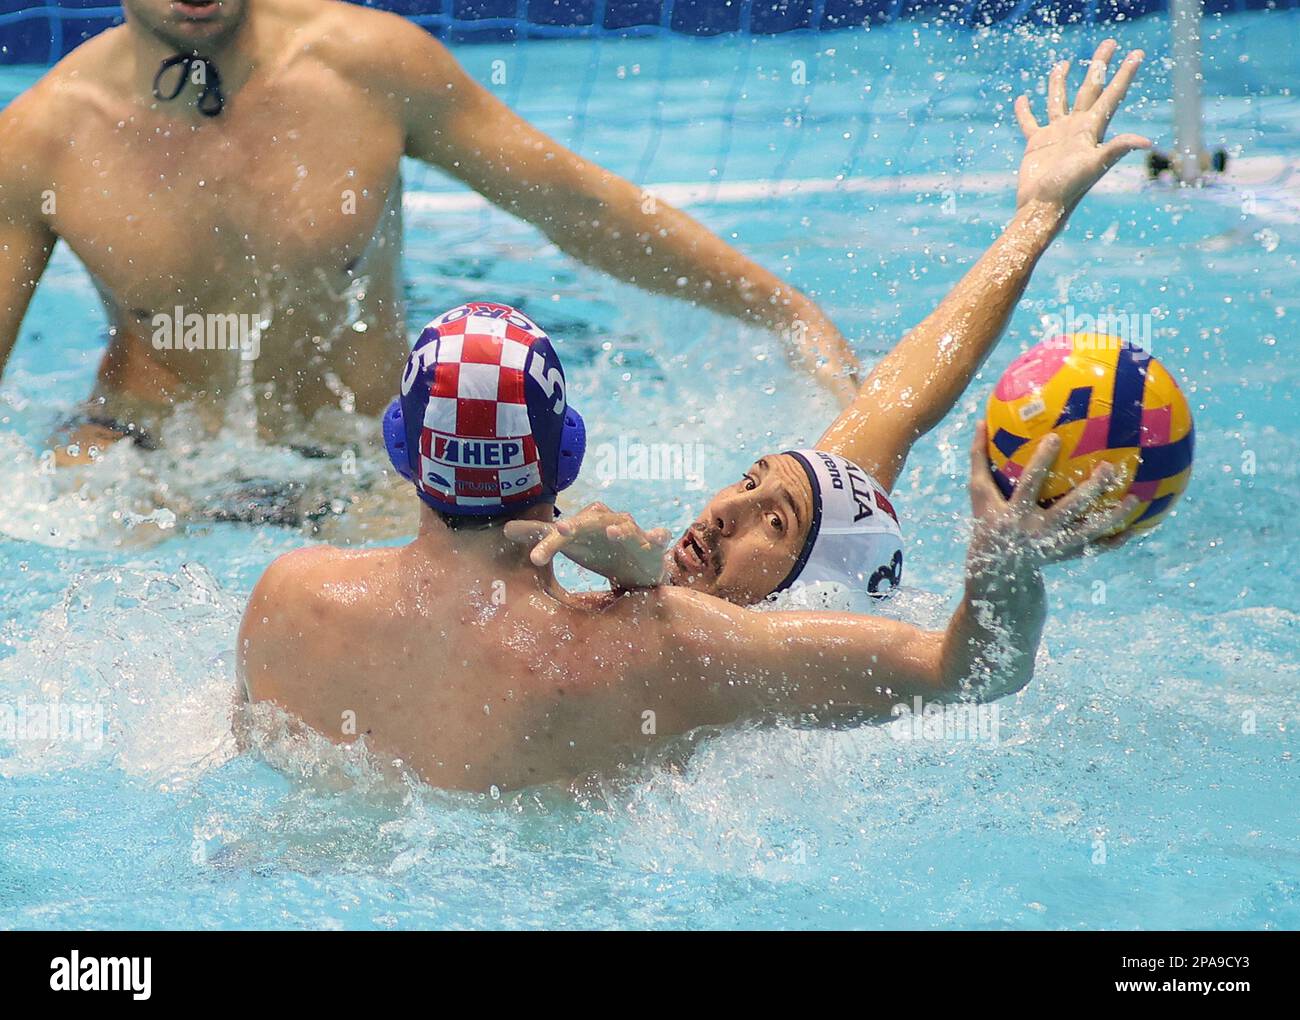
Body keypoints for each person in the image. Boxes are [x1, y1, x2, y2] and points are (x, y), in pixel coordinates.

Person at [237, 300, 1136, 791]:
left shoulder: (287, 599)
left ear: (400, 451)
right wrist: (1002, 565)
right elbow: (969, 672)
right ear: (569, 455)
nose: (731, 510)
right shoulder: (665, 648)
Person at [0, 0, 856, 466]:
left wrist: (787, 312)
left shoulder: (370, 68)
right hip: (143, 462)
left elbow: (577, 207)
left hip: (368, 455)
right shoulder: (41, 139)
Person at [506, 40, 1151, 606]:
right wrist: (1037, 215)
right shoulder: (798, 549)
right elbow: (899, 398)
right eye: (750, 480)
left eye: (775, 524)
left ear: (815, 593)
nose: (727, 509)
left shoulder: (783, 679)